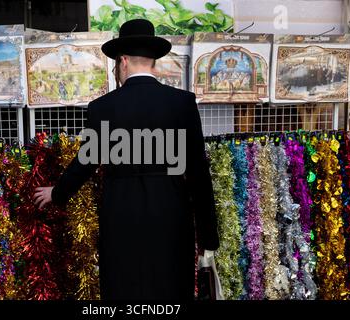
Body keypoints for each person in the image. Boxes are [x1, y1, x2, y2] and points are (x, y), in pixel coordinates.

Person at [33, 19, 219, 300]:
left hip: (121, 212)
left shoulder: (103, 107)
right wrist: (208, 237)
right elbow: (198, 173)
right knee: (170, 287)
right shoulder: (181, 102)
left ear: (122, 61)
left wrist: (57, 193)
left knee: (124, 286)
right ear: (152, 61)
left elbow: (86, 161)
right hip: (170, 210)